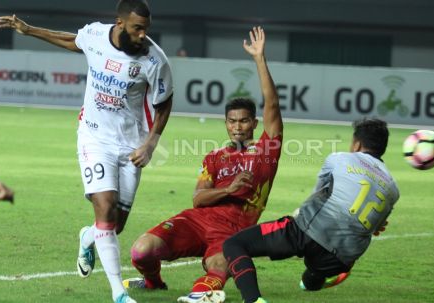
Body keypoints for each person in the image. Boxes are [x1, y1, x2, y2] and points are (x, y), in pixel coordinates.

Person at [0, 1, 173, 302]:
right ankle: (119, 293)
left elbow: (164, 102)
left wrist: (150, 143)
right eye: (137, 28)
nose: (143, 35)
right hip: (94, 136)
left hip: (132, 144)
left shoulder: (155, 61)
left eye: (146, 29)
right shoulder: (94, 35)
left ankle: (87, 236)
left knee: (115, 225)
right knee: (105, 206)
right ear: (120, 24)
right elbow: (71, 40)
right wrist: (28, 30)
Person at [122, 26, 283, 303]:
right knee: (141, 250)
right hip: (197, 221)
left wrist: (259, 59)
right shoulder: (214, 156)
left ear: (255, 124)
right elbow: (198, 199)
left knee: (219, 266)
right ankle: (153, 282)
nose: (237, 127)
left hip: (233, 231)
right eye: (232, 121)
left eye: (244, 121)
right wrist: (229, 189)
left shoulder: (267, 149)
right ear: (226, 124)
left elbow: (272, 105)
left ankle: (201, 294)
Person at [222, 118, 400, 303]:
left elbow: (318, 192)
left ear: (357, 144)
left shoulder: (339, 158)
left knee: (234, 244)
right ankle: (323, 276)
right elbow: (377, 226)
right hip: (342, 257)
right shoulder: (393, 188)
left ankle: (253, 300)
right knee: (312, 278)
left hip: (307, 233)